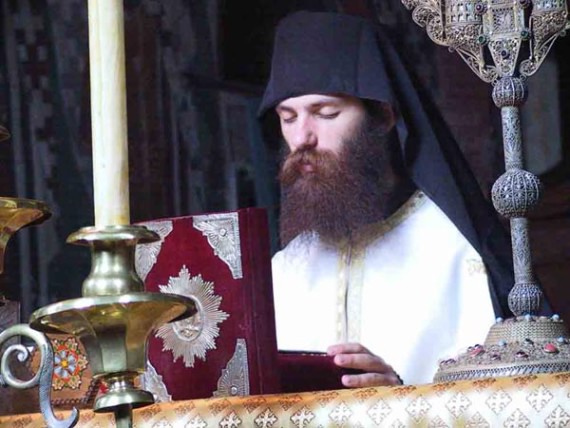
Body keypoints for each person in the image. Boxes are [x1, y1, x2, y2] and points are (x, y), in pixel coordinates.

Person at [258, 11, 517, 386]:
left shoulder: (456, 253)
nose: (302, 138)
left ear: (383, 114)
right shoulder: (285, 269)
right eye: (288, 117)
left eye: (326, 113)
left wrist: (399, 395)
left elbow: (513, 406)